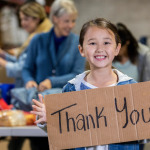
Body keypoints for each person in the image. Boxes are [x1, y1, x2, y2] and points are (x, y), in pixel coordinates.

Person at [31, 18, 144, 150]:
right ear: (81, 50)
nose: (100, 49)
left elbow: (140, 133)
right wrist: (50, 119)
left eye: (106, 42)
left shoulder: (131, 89)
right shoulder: (72, 89)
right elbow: (64, 134)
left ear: (117, 49)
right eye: (92, 43)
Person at [22, 0, 85, 93]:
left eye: (73, 21)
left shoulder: (78, 42)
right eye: (66, 21)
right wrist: (29, 80)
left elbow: (78, 74)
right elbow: (27, 68)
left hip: (66, 97)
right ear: (55, 18)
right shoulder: (37, 40)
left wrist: (52, 82)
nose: (71, 25)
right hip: (38, 96)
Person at [0, 1, 52, 88]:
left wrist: (1, 61)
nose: (22, 23)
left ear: (37, 19)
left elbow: (21, 69)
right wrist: (4, 55)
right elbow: (22, 61)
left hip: (31, 88)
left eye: (26, 19)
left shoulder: (38, 40)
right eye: (21, 19)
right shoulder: (36, 36)